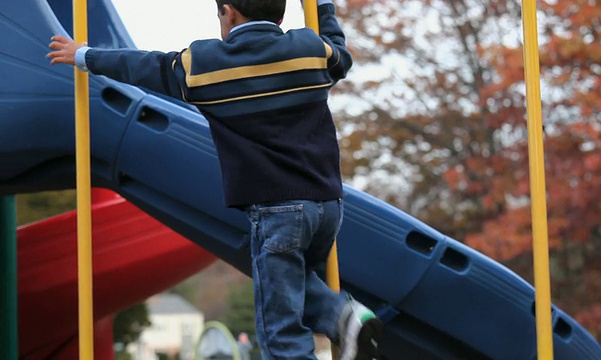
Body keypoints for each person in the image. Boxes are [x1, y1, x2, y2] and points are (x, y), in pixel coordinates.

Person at [47, 0, 382, 359]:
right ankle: (344, 316)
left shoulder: (207, 64)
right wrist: (324, 7)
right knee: (293, 287)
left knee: (280, 330)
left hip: (277, 207)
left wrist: (85, 55)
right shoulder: (310, 50)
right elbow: (339, 54)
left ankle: (343, 318)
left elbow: (145, 66)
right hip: (328, 204)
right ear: (281, 16)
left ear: (230, 12)